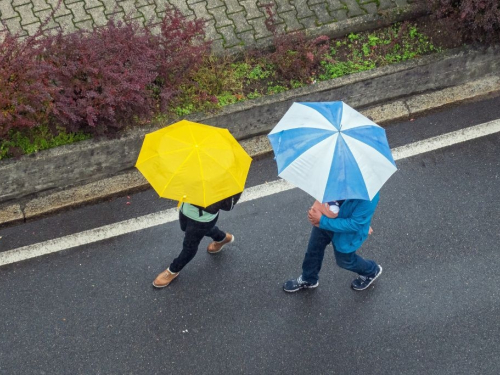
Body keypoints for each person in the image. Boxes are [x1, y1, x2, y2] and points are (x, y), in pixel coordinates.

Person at [283, 193, 382, 292]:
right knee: (313, 250)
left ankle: (371, 270)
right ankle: (308, 278)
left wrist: (321, 220)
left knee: (345, 262)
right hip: (326, 220)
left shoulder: (369, 196)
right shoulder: (339, 179)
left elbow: (354, 224)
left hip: (345, 234)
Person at [153, 194, 240, 288]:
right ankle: (222, 237)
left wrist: (200, 199)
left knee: (189, 246)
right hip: (185, 207)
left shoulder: (226, 181)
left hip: (202, 219)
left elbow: (228, 205)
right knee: (185, 228)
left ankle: (173, 270)